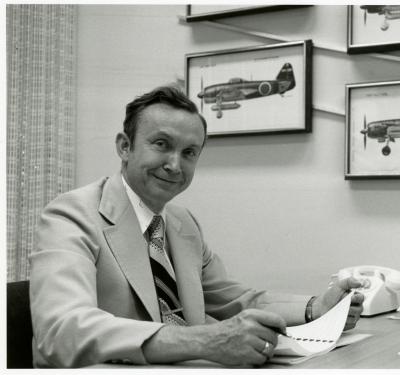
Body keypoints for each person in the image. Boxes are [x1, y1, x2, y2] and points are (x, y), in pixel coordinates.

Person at [29, 85, 364, 368]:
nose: (175, 165)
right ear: (125, 147)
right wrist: (205, 340)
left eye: (189, 152)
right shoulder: (71, 215)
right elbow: (60, 330)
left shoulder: (181, 223)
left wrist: (315, 308)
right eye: (161, 144)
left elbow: (237, 301)